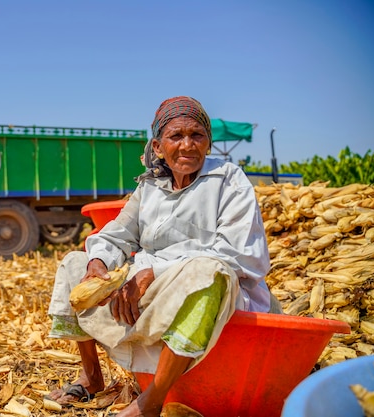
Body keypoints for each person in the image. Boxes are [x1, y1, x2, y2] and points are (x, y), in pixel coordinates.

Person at [47, 96, 282, 416]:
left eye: (197, 135)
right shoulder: (151, 187)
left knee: (208, 271)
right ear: (158, 147)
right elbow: (116, 234)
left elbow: (237, 253)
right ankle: (91, 377)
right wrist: (98, 264)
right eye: (176, 136)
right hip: (153, 280)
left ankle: (152, 400)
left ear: (209, 143)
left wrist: (153, 272)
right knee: (75, 262)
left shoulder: (229, 180)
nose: (187, 145)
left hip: (220, 287)